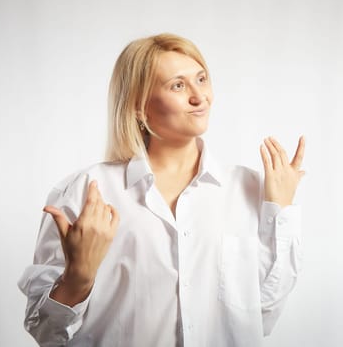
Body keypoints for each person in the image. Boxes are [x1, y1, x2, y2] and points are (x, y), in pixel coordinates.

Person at [18, 33, 305, 347]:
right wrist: (78, 277)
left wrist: (280, 209)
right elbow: (45, 331)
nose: (200, 97)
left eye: (201, 79)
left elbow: (263, 314)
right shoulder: (87, 192)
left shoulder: (249, 189)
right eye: (178, 85)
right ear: (139, 107)